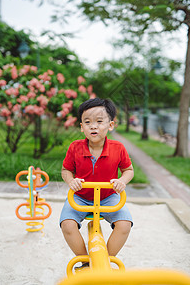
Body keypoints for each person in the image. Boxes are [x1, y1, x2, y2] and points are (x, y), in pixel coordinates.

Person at [59, 98, 134, 269]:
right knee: (67, 224)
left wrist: (121, 181)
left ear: (110, 125)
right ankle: (85, 261)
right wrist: (72, 181)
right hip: (81, 197)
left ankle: (104, 261)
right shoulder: (75, 147)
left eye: (99, 121)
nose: (93, 126)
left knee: (125, 224)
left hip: (108, 196)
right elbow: (65, 171)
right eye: (88, 122)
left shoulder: (118, 148)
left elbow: (129, 170)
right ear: (81, 127)